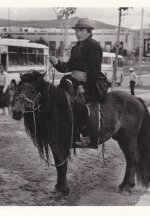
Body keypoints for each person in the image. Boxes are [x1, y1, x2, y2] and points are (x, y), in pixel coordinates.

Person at [49, 18, 108, 148]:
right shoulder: (76, 48)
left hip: (92, 84)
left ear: (89, 32)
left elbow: (94, 71)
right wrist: (57, 63)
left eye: (81, 30)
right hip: (75, 82)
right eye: (77, 30)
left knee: (77, 102)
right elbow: (68, 67)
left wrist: (84, 85)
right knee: (59, 97)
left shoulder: (94, 46)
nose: (78, 33)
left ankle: (85, 135)